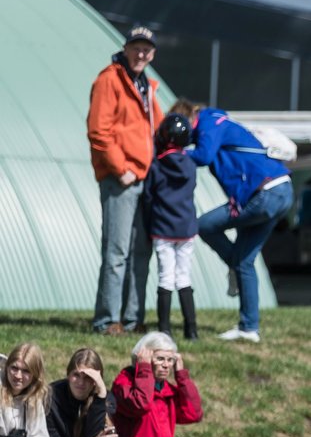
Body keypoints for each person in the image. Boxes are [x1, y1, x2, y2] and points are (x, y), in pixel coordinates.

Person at [175, 100, 293, 343]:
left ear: (189, 118)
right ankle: (249, 328)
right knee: (245, 261)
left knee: (204, 225)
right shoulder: (221, 122)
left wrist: (174, 152)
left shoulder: (209, 121)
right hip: (280, 190)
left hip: (266, 193)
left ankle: (233, 266)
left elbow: (204, 156)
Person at [87, 25, 163, 336]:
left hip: (144, 179)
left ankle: (132, 319)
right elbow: (98, 131)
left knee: (140, 252)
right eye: (136, 47)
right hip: (122, 179)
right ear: (126, 48)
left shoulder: (146, 86)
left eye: (147, 49)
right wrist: (120, 169)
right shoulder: (110, 79)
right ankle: (107, 320)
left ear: (153, 54)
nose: (141, 53)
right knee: (117, 252)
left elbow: (155, 129)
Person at [144, 113, 200, 340]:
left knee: (165, 277)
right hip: (186, 230)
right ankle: (191, 330)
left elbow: (148, 197)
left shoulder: (157, 166)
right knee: (183, 277)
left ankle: (164, 329)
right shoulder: (191, 164)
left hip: (162, 230)